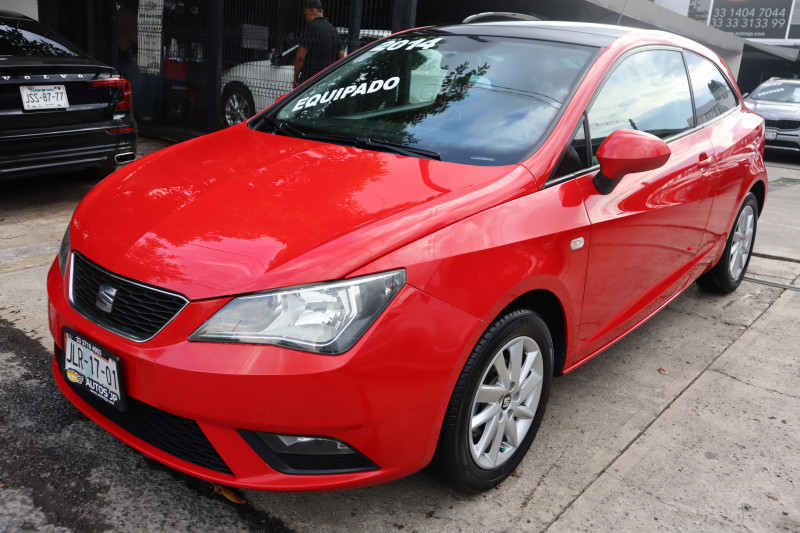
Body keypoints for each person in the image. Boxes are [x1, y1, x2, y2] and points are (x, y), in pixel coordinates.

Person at [293, 0, 344, 88]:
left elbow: (300, 57)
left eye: (305, 15)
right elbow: (341, 55)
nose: (306, 18)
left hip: (310, 80)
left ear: (309, 10)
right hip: (327, 79)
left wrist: (295, 77)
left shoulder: (311, 27)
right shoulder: (332, 29)